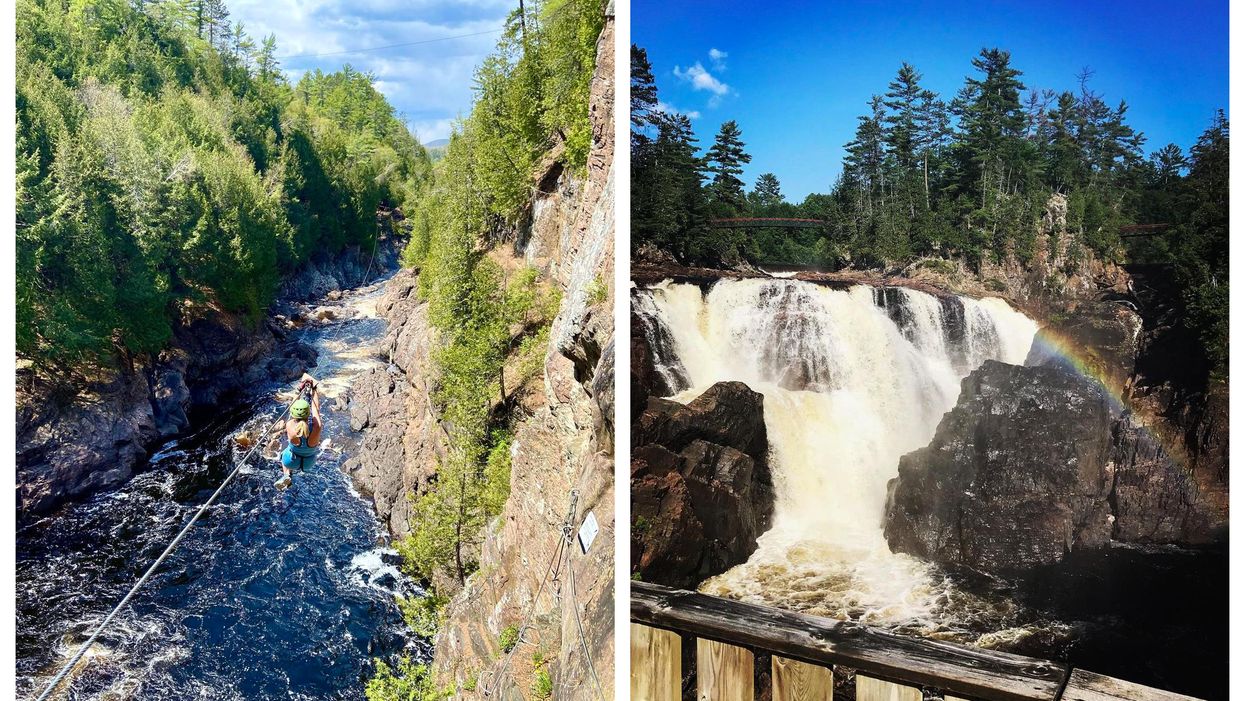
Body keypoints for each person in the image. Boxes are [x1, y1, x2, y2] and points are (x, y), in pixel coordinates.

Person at [276, 374, 322, 489]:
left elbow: (293, 407)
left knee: (285, 446)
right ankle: (288, 474)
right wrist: (314, 389)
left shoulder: (290, 425)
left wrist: (299, 390)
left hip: (291, 461)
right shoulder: (317, 427)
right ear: (307, 413)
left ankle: (287, 474)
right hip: (308, 463)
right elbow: (316, 408)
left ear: (294, 414)